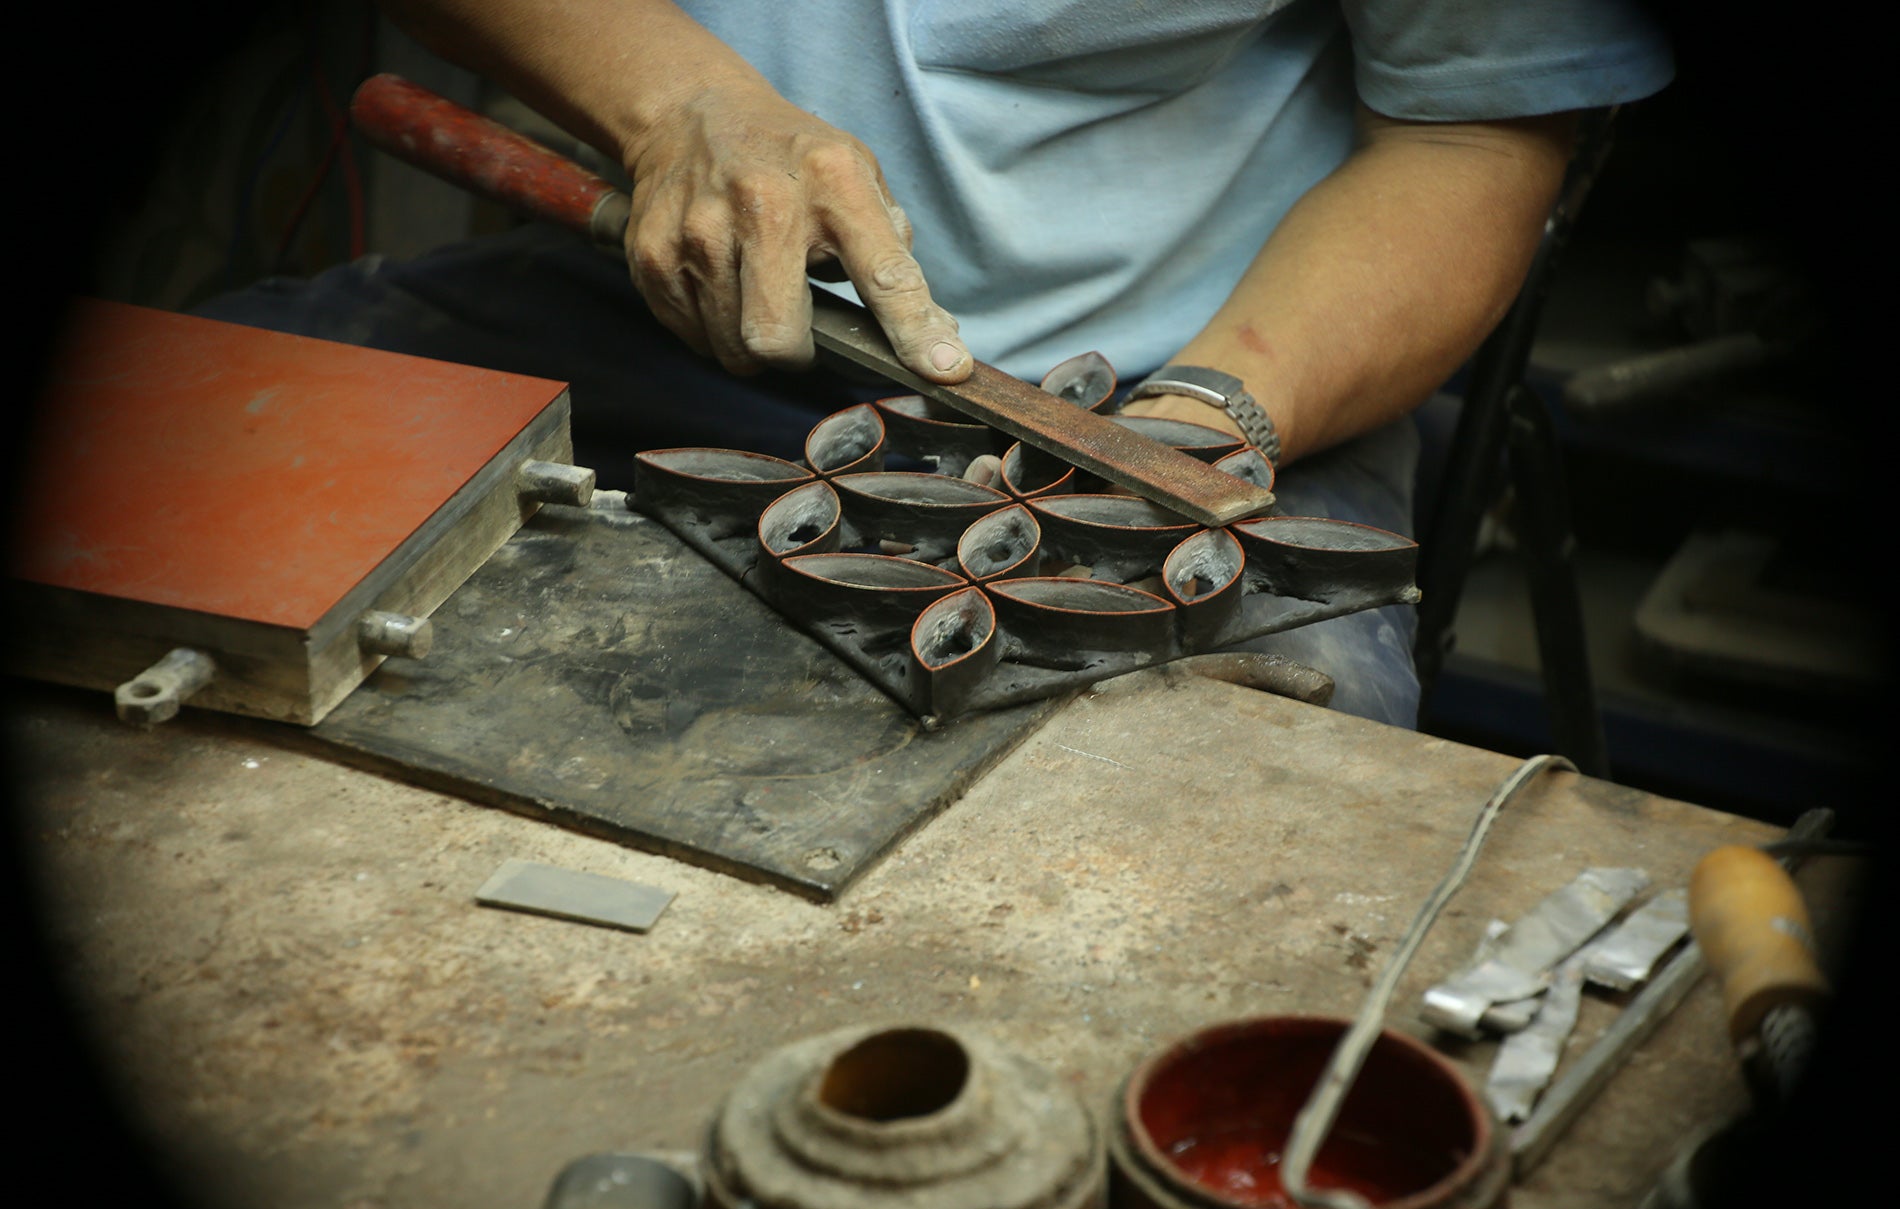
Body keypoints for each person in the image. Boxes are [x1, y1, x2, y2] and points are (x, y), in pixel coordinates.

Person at [198, 0, 1674, 725]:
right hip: (648, 284)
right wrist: (677, 109)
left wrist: (1216, 408)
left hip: (1179, 388)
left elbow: (1475, 137)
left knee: (1240, 802)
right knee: (163, 465)